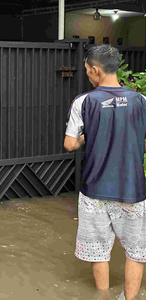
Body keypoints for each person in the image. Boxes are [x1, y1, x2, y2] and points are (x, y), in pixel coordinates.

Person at [64, 45, 146, 300]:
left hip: (95, 191)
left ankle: (102, 296)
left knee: (98, 251)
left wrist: (86, 137)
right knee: (136, 251)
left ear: (95, 70)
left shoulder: (84, 101)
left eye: (88, 71)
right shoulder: (141, 101)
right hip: (132, 191)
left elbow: (70, 144)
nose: (88, 75)